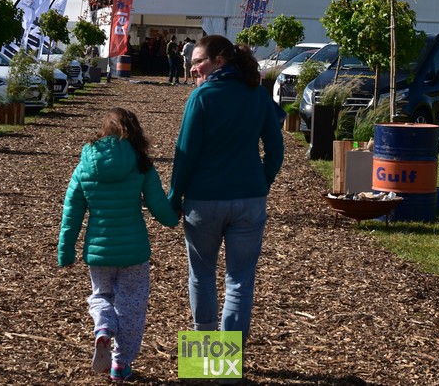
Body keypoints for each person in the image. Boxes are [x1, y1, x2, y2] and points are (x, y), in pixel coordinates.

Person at [168, 34, 285, 344]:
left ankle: (205, 353)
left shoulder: (202, 97)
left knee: (202, 275)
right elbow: (276, 150)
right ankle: (230, 361)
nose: (192, 68)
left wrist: (174, 197)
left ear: (218, 61)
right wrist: (261, 182)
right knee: (240, 280)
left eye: (198, 62)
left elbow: (185, 155)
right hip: (249, 200)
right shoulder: (257, 95)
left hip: (204, 201)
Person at [58, 107, 179, 383]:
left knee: (101, 295)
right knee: (131, 306)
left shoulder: (85, 166)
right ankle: (120, 363)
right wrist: (174, 219)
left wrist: (66, 250)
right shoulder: (140, 163)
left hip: (98, 251)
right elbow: (158, 204)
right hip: (133, 251)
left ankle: (103, 326)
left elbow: (71, 213)